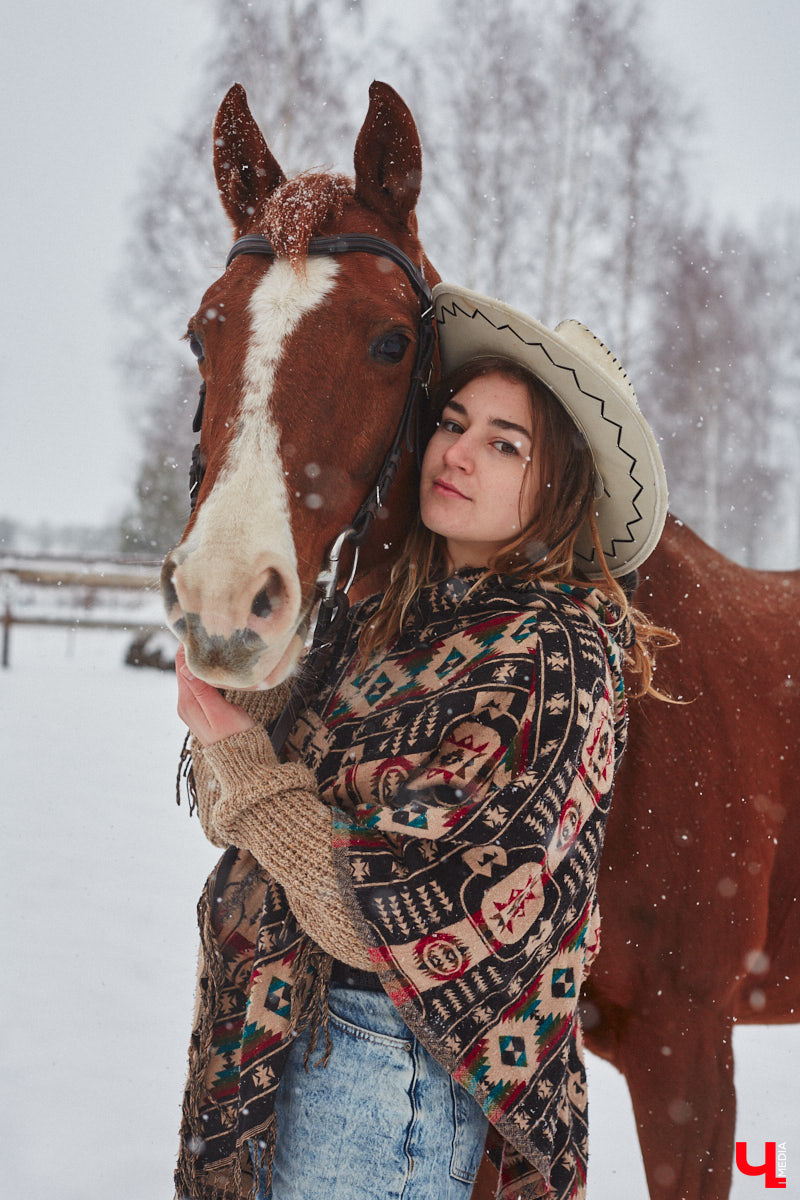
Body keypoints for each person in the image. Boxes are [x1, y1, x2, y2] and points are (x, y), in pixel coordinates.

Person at [173, 283, 671, 1200]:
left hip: (385, 1077)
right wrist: (243, 689)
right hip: (298, 1049)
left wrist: (242, 756)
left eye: (505, 443)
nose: (460, 452)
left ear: (557, 482)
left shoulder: (550, 652)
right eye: (454, 421)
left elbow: (391, 920)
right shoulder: (387, 625)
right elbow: (238, 814)